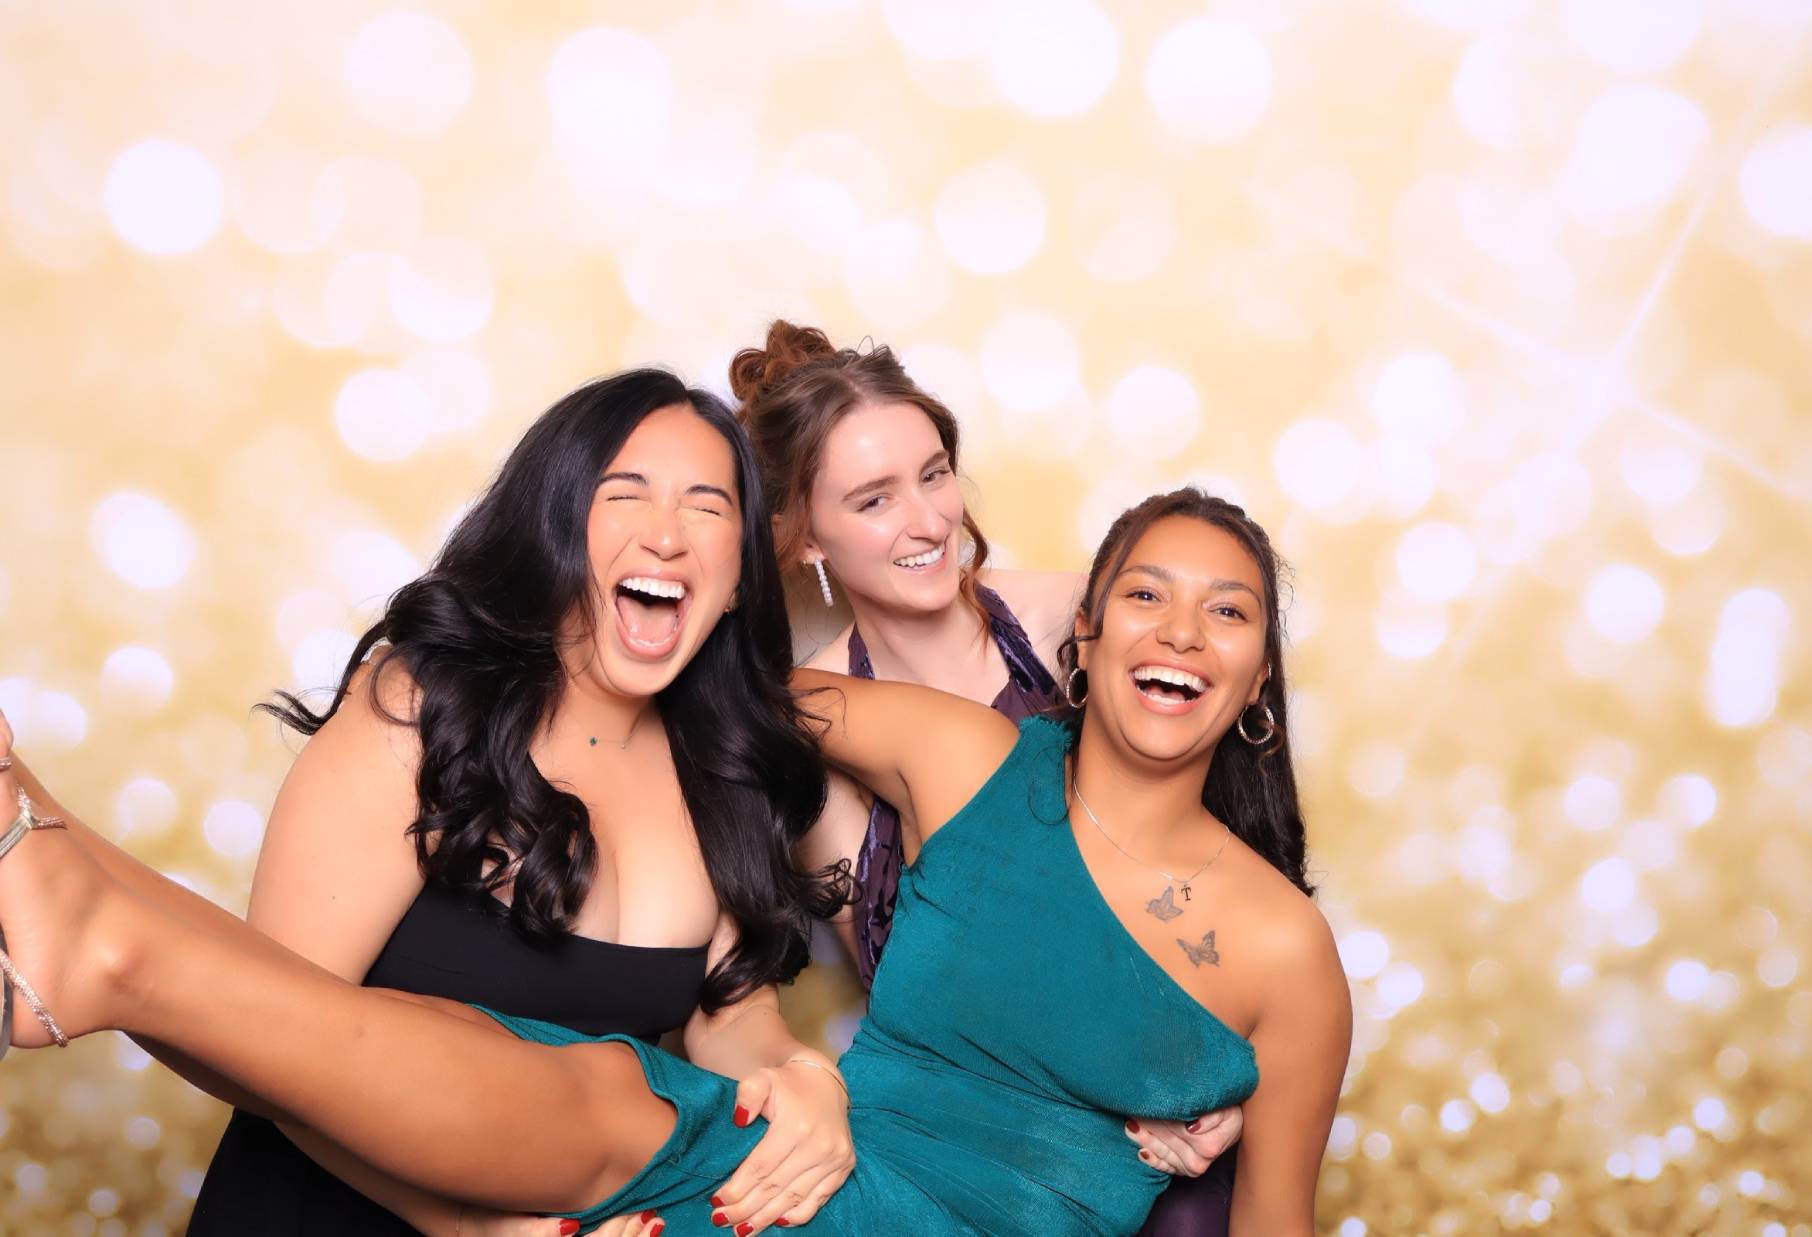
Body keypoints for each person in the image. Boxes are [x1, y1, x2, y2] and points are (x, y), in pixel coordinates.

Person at [0, 487, 1351, 1236]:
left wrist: (1196, 1133)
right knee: (567, 1068)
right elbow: (704, 665)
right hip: (808, 1155)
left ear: (1254, 678)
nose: (1179, 630)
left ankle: (89, 916)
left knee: (596, 1104)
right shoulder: (971, 761)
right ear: (1085, 633)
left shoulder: (1284, 949)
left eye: (1225, 610)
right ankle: (79, 894)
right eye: (1141, 594)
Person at [112, 370, 859, 1237]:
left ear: (735, 579)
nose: (666, 535)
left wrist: (803, 1076)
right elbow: (265, 1039)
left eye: (706, 506)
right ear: (555, 532)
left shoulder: (725, 767)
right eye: (626, 493)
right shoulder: (425, 708)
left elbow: (731, 1013)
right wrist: (470, 1228)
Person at [732, 322, 1246, 1227]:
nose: (928, 521)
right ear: (806, 536)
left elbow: (1223, 875)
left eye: (933, 475)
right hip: (987, 1137)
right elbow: (917, 994)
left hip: (1167, 1100)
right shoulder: (812, 731)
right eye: (873, 499)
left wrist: (1216, 1077)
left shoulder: (1079, 619)